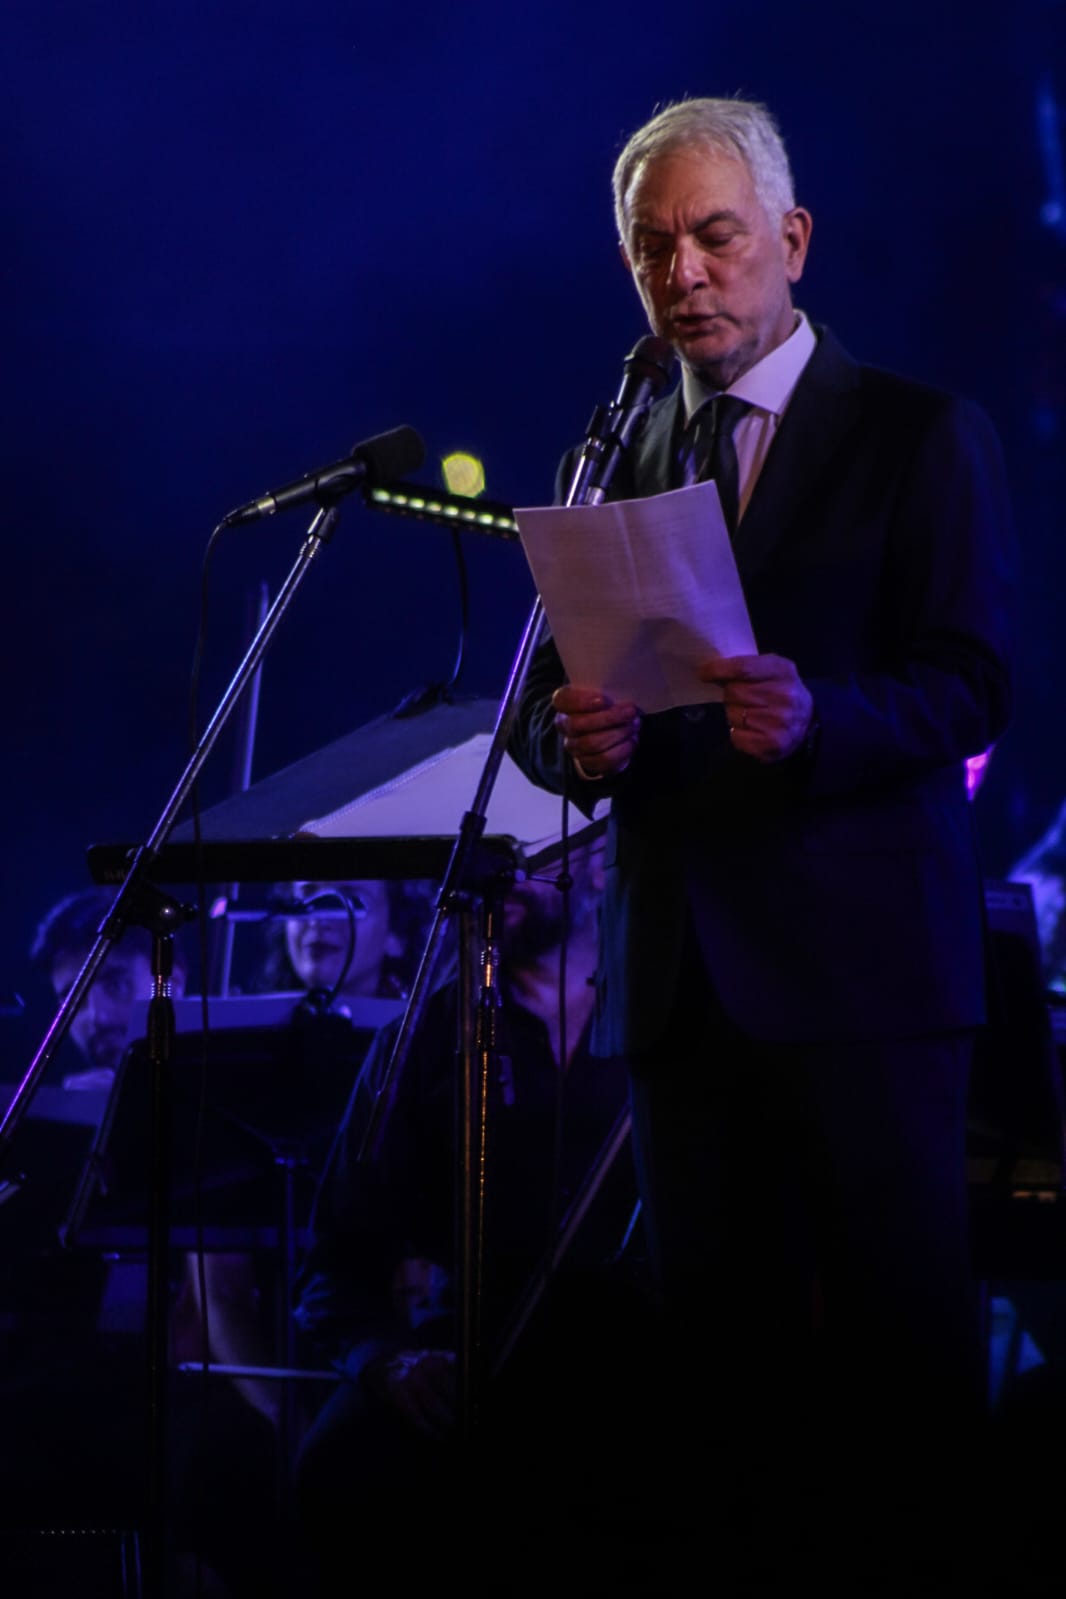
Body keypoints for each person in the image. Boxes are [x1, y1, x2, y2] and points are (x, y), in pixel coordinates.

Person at [507, 96, 1016, 1595]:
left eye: (715, 237)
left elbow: (973, 683)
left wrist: (821, 719)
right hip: (681, 979)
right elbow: (543, 707)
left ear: (789, 239)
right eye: (653, 247)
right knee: (717, 1391)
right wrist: (574, 744)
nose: (685, 273)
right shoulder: (617, 452)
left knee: (896, 1373)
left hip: (864, 980)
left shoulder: (919, 433)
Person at [289, 829, 662, 1597]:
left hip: (644, 1345)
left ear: (598, 863)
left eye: (533, 850)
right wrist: (386, 1360)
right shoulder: (421, 1038)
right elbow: (337, 1255)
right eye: (490, 849)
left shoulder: (664, 1009)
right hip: (473, 1343)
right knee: (338, 1467)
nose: (505, 869)